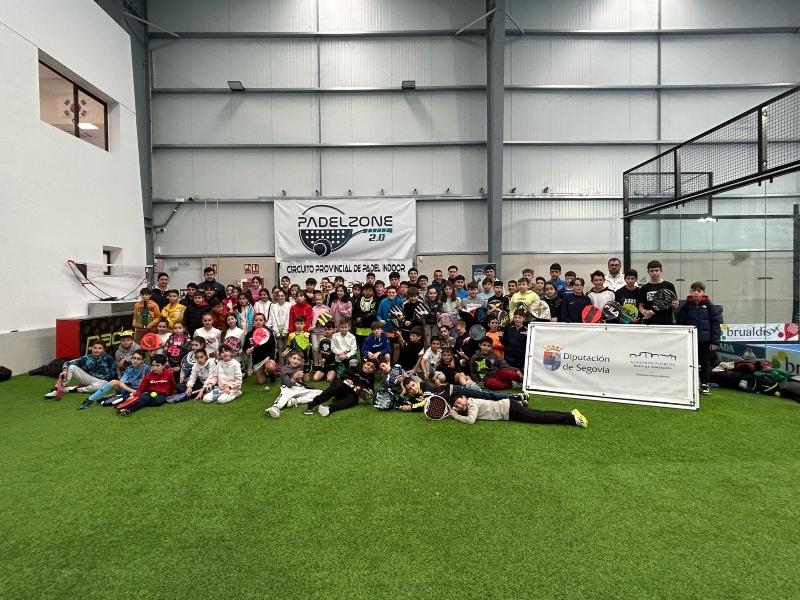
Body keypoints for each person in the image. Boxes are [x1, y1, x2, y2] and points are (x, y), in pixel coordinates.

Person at [676, 281, 721, 395]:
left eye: (699, 291)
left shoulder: (709, 305)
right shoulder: (685, 306)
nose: (696, 293)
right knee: (689, 362)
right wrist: (681, 339)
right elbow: (680, 323)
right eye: (694, 291)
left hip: (705, 341)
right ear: (690, 292)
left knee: (705, 362)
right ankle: (689, 383)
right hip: (689, 340)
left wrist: (715, 342)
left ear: (703, 292)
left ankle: (704, 384)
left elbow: (716, 324)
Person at [449, 392, 588, 428]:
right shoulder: (470, 403)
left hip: (510, 409)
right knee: (539, 414)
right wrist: (458, 411)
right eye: (457, 405)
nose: (459, 406)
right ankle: (570, 414)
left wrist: (456, 416)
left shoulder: (472, 404)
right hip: (509, 408)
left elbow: (471, 420)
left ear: (464, 397)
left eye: (459, 402)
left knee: (538, 417)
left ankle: (572, 418)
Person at [304, 359, 378, 417]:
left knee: (354, 399)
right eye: (368, 364)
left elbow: (370, 389)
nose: (368, 367)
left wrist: (370, 391)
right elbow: (344, 375)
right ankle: (312, 404)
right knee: (338, 384)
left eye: (371, 367)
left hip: (350, 393)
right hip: (341, 387)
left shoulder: (371, 378)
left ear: (373, 370)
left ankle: (328, 408)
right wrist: (347, 379)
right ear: (364, 364)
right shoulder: (354, 368)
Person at [44, 340, 116, 398]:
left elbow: (113, 373)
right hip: (89, 379)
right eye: (95, 348)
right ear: (91, 348)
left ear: (104, 350)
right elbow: (68, 363)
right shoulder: (87, 358)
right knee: (72, 367)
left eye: (100, 348)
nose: (96, 350)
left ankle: (74, 389)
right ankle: (57, 389)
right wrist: (65, 370)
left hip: (102, 382)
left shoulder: (109, 359)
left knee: (97, 387)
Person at [81, 350, 150, 409]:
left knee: (116, 383)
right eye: (134, 358)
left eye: (138, 359)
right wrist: (130, 389)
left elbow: (149, 382)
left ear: (143, 361)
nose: (135, 361)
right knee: (114, 382)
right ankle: (90, 399)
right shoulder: (129, 368)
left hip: (140, 391)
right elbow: (122, 382)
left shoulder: (146, 368)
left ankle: (114, 396)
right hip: (131, 389)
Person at [266, 350, 323, 418]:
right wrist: (294, 377)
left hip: (299, 388)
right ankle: (275, 407)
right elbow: (288, 384)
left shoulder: (301, 366)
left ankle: (295, 401)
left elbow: (305, 379)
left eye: (298, 359)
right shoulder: (284, 369)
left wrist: (305, 372)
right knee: (285, 395)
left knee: (320, 392)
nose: (296, 361)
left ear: (301, 361)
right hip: (288, 388)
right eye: (294, 358)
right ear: (289, 358)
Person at [637, 260, 679, 325]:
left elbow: (675, 303)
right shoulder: (644, 288)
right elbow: (640, 305)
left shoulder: (669, 286)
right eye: (651, 271)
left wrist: (675, 304)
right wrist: (644, 312)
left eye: (656, 270)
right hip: (649, 323)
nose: (654, 273)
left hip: (666, 323)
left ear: (661, 271)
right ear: (648, 272)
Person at [242, 312, 278, 384]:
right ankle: (264, 372)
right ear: (253, 321)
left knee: (270, 367)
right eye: (256, 320)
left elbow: (273, 346)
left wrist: (271, 358)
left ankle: (272, 374)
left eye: (261, 320)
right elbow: (245, 347)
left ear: (264, 321)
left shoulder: (269, 332)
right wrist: (247, 351)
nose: (258, 322)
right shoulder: (249, 334)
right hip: (257, 360)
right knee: (261, 382)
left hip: (268, 357)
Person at [267, 288, 291, 358]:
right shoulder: (273, 306)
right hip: (277, 329)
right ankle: (281, 363)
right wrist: (276, 330)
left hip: (287, 329)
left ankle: (288, 363)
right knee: (280, 347)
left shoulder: (289, 305)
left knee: (287, 348)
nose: (280, 297)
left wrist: (285, 330)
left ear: (285, 296)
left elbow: (288, 318)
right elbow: (272, 318)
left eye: (282, 295)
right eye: (279, 296)